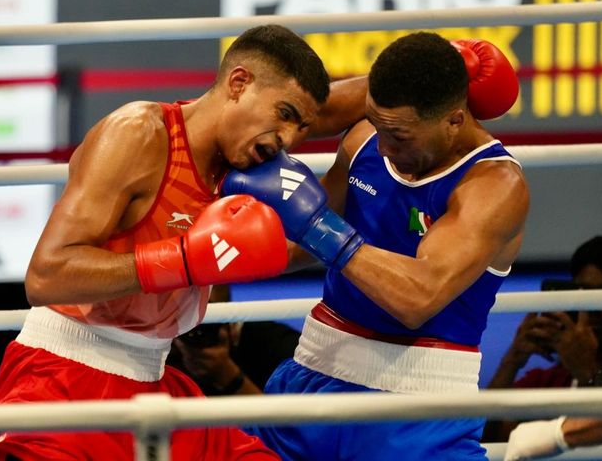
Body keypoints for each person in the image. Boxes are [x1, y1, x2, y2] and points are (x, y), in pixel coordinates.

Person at [0, 24, 340, 461]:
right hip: (63, 375)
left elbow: (250, 256)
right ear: (238, 83)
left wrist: (326, 232)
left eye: (302, 127)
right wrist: (182, 261)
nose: (288, 140)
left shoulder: (236, 169)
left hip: (153, 377)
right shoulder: (139, 134)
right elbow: (46, 276)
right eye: (283, 114)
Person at [222, 31, 527, 460]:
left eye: (400, 137)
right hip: (313, 373)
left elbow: (418, 296)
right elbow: (302, 244)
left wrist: (317, 225)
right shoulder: (368, 136)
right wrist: (219, 248)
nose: (383, 146)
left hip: (419, 408)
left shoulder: (493, 186)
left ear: (454, 121)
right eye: (376, 125)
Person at [485, 236, 602, 442]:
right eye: (584, 293)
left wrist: (589, 375)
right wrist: (512, 361)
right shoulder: (545, 382)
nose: (593, 308)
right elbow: (486, 441)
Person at [168, 285, 301, 396]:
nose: (196, 323)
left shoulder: (275, 343)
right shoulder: (159, 351)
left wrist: (228, 376)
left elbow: (297, 425)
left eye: (206, 305)